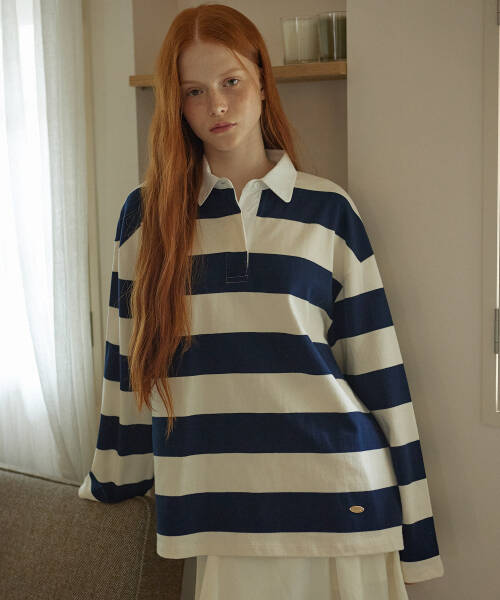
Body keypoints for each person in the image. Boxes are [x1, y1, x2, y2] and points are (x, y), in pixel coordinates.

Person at [78, 4, 444, 598]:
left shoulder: (327, 211)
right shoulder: (145, 217)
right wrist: (113, 478)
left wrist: (418, 535)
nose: (217, 106)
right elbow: (127, 364)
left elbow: (380, 374)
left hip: (342, 500)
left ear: (262, 82)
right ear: (176, 104)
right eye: (195, 91)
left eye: (231, 81)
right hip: (219, 512)